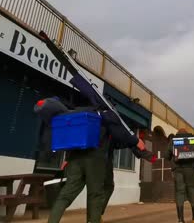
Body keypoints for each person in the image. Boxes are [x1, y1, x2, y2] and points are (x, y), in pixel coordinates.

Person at [45, 72, 147, 223]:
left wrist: (67, 158)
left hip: (75, 159)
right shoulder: (105, 114)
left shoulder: (78, 113)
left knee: (66, 194)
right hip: (95, 159)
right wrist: (135, 141)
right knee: (95, 195)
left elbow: (73, 138)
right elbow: (120, 134)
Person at [166, 128, 194, 223]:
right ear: (187, 134)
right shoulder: (193, 140)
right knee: (192, 189)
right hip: (191, 169)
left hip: (178, 170)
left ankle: (180, 219)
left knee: (179, 192)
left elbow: (166, 156)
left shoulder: (173, 141)